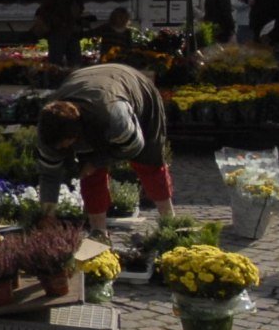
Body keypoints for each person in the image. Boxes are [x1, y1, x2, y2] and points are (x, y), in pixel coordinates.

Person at [35, 63, 176, 238]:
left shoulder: (114, 116)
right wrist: (48, 214)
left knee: (148, 164)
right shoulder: (49, 128)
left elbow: (134, 146)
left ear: (76, 135)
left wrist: (96, 162)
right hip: (86, 83)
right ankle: (99, 233)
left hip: (137, 89)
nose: (62, 150)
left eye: (65, 144)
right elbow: (49, 174)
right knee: (88, 174)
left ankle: (170, 223)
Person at [36, 0, 86, 67]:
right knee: (56, 62)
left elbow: (78, 11)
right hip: (58, 32)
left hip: (72, 32)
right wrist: (60, 23)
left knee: (75, 61)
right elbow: (43, 12)